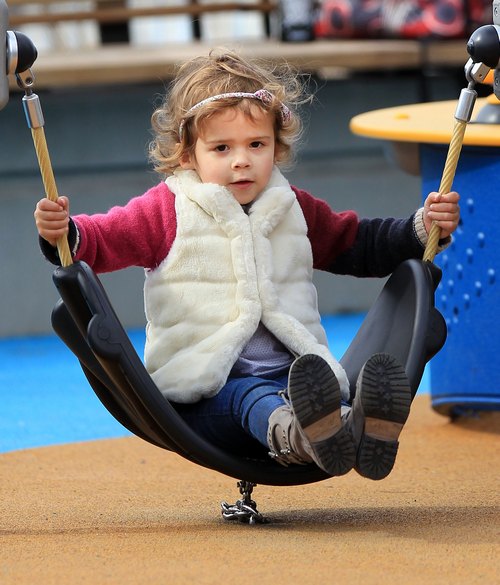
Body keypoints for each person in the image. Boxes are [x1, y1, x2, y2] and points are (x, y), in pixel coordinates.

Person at [34, 49, 460, 481]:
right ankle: (301, 438)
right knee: (249, 396)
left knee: (323, 392)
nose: (242, 160)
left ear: (276, 145)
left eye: (257, 144)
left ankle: (356, 428)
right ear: (187, 155)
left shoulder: (291, 206)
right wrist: (64, 233)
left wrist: (420, 229)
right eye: (221, 148)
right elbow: (104, 238)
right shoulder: (168, 209)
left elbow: (359, 243)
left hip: (296, 380)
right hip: (204, 394)